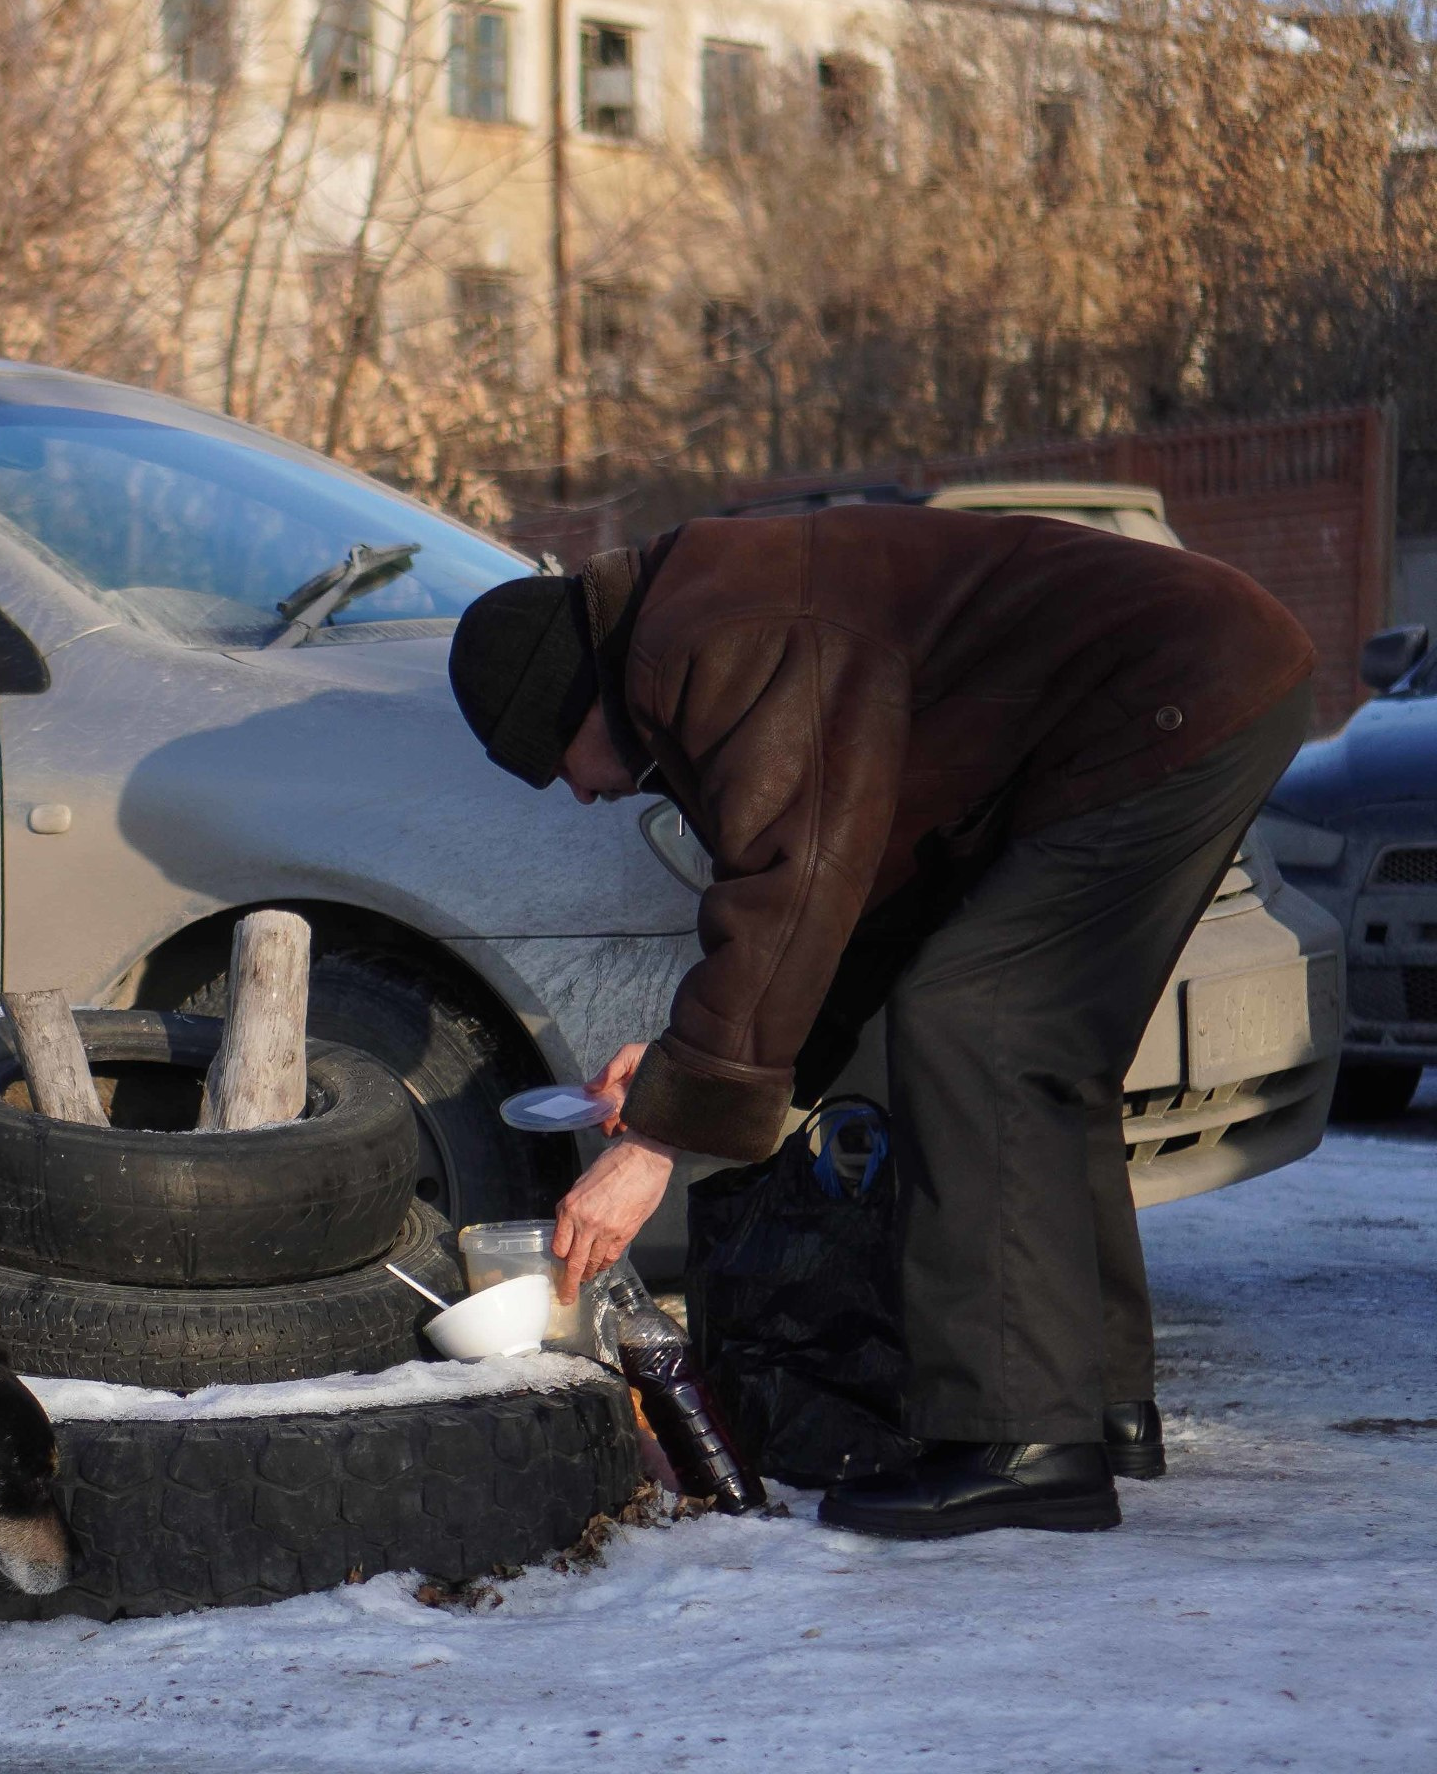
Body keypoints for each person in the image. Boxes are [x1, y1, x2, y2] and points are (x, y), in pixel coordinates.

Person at [447, 505, 1313, 1539]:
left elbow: (794, 885)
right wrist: (685, 1073)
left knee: (978, 1021)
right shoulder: (709, 620)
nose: (582, 798)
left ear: (574, 699)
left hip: (1172, 693)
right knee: (1032, 1047)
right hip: (1195, 679)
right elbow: (855, 901)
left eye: (558, 765)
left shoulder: (712, 641)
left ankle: (1023, 1445)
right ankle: (1097, 1405)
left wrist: (656, 1143)